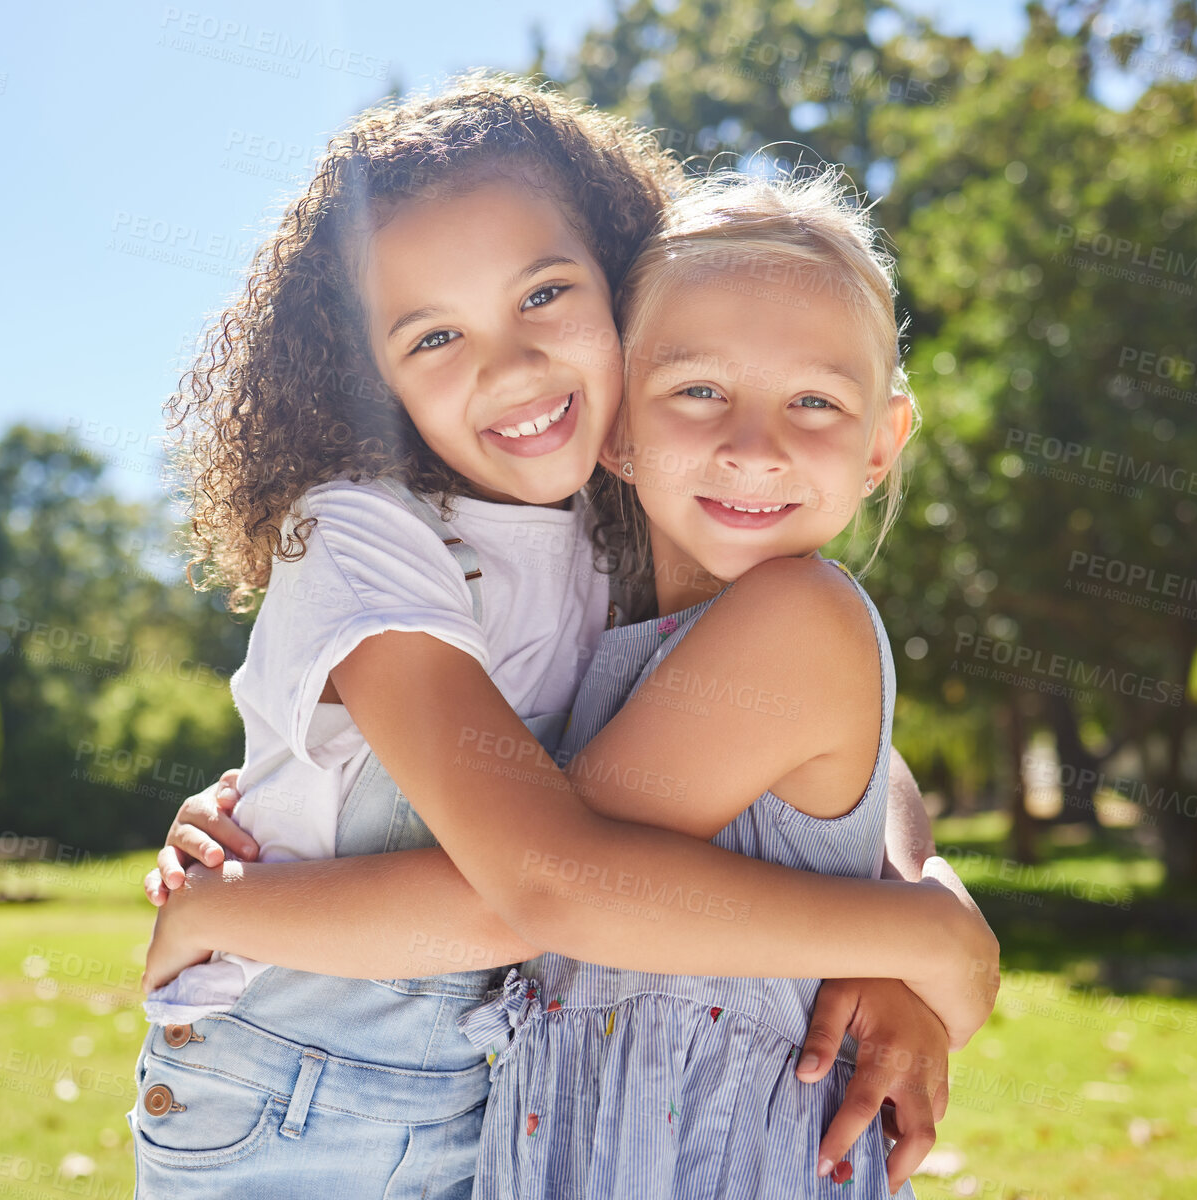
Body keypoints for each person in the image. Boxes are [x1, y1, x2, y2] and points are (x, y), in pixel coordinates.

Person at [134, 72, 997, 1200]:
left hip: (512, 1111)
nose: (509, 364)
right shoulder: (371, 535)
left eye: (543, 294)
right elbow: (543, 884)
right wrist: (915, 938)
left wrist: (922, 916)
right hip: (316, 1099)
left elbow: (851, 763)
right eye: (435, 334)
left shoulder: (632, 546)